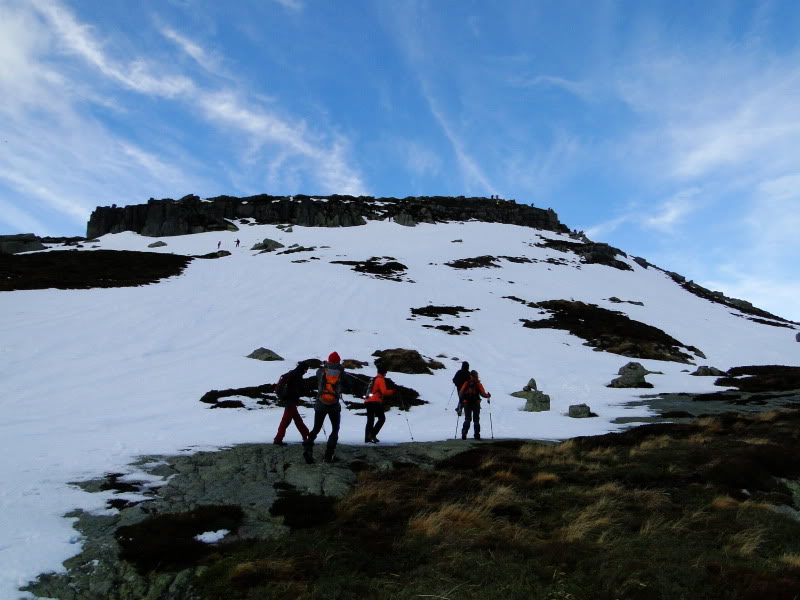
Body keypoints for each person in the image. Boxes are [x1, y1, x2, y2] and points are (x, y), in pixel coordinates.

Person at [303, 352, 347, 463]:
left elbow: (318, 377)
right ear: (338, 361)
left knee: (316, 428)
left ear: (328, 360)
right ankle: (328, 455)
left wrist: (325, 366)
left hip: (320, 404)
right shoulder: (341, 372)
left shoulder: (321, 371)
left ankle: (308, 449)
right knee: (335, 429)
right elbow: (347, 385)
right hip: (334, 406)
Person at [273, 362, 310, 446]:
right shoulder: (297, 375)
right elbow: (298, 389)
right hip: (291, 401)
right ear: (303, 368)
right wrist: (307, 392)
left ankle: (307, 436)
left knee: (296, 420)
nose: (306, 371)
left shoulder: (292, 373)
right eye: (306, 369)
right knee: (287, 421)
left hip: (288, 401)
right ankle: (278, 439)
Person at [364, 363, 394, 443]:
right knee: (382, 418)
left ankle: (367, 439)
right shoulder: (381, 379)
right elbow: (384, 392)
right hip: (375, 401)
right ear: (383, 373)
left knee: (370, 420)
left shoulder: (373, 379)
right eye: (385, 373)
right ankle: (372, 434)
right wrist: (392, 391)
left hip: (368, 401)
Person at [459, 370, 491, 440]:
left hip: (466, 402)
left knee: (467, 419)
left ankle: (464, 431)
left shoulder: (466, 383)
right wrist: (487, 396)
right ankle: (477, 434)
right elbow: (483, 394)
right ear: (476, 375)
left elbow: (461, 393)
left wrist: (463, 399)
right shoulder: (478, 384)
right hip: (476, 403)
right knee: (476, 420)